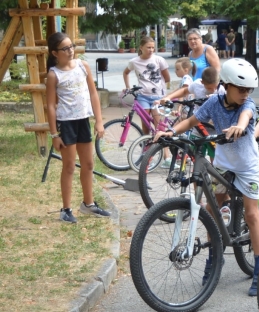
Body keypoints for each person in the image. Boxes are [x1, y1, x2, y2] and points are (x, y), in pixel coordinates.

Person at [154, 59, 259, 295]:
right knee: (213, 209)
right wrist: (171, 131)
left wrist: (238, 127)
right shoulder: (214, 101)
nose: (245, 94)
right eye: (241, 89)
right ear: (226, 85)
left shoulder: (249, 105)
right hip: (223, 164)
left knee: (251, 213)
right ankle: (215, 257)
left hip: (247, 166)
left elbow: (245, 116)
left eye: (248, 90)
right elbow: (194, 120)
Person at [45, 32, 111, 223]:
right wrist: (54, 134)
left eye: (71, 46)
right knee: (69, 166)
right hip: (66, 124)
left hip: (83, 120)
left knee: (89, 164)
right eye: (65, 48)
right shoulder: (53, 74)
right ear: (55, 53)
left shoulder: (83, 66)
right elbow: (50, 105)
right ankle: (66, 209)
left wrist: (98, 121)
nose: (71, 51)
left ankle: (88, 204)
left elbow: (93, 93)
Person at [122, 36, 170, 135]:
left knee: (158, 125)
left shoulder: (159, 60)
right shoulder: (134, 61)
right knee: (145, 124)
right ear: (141, 47)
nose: (151, 50)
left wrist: (161, 91)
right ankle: (146, 145)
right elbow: (125, 73)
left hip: (158, 96)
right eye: (148, 47)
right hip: (143, 96)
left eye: (153, 47)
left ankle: (163, 149)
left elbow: (167, 78)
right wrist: (128, 87)